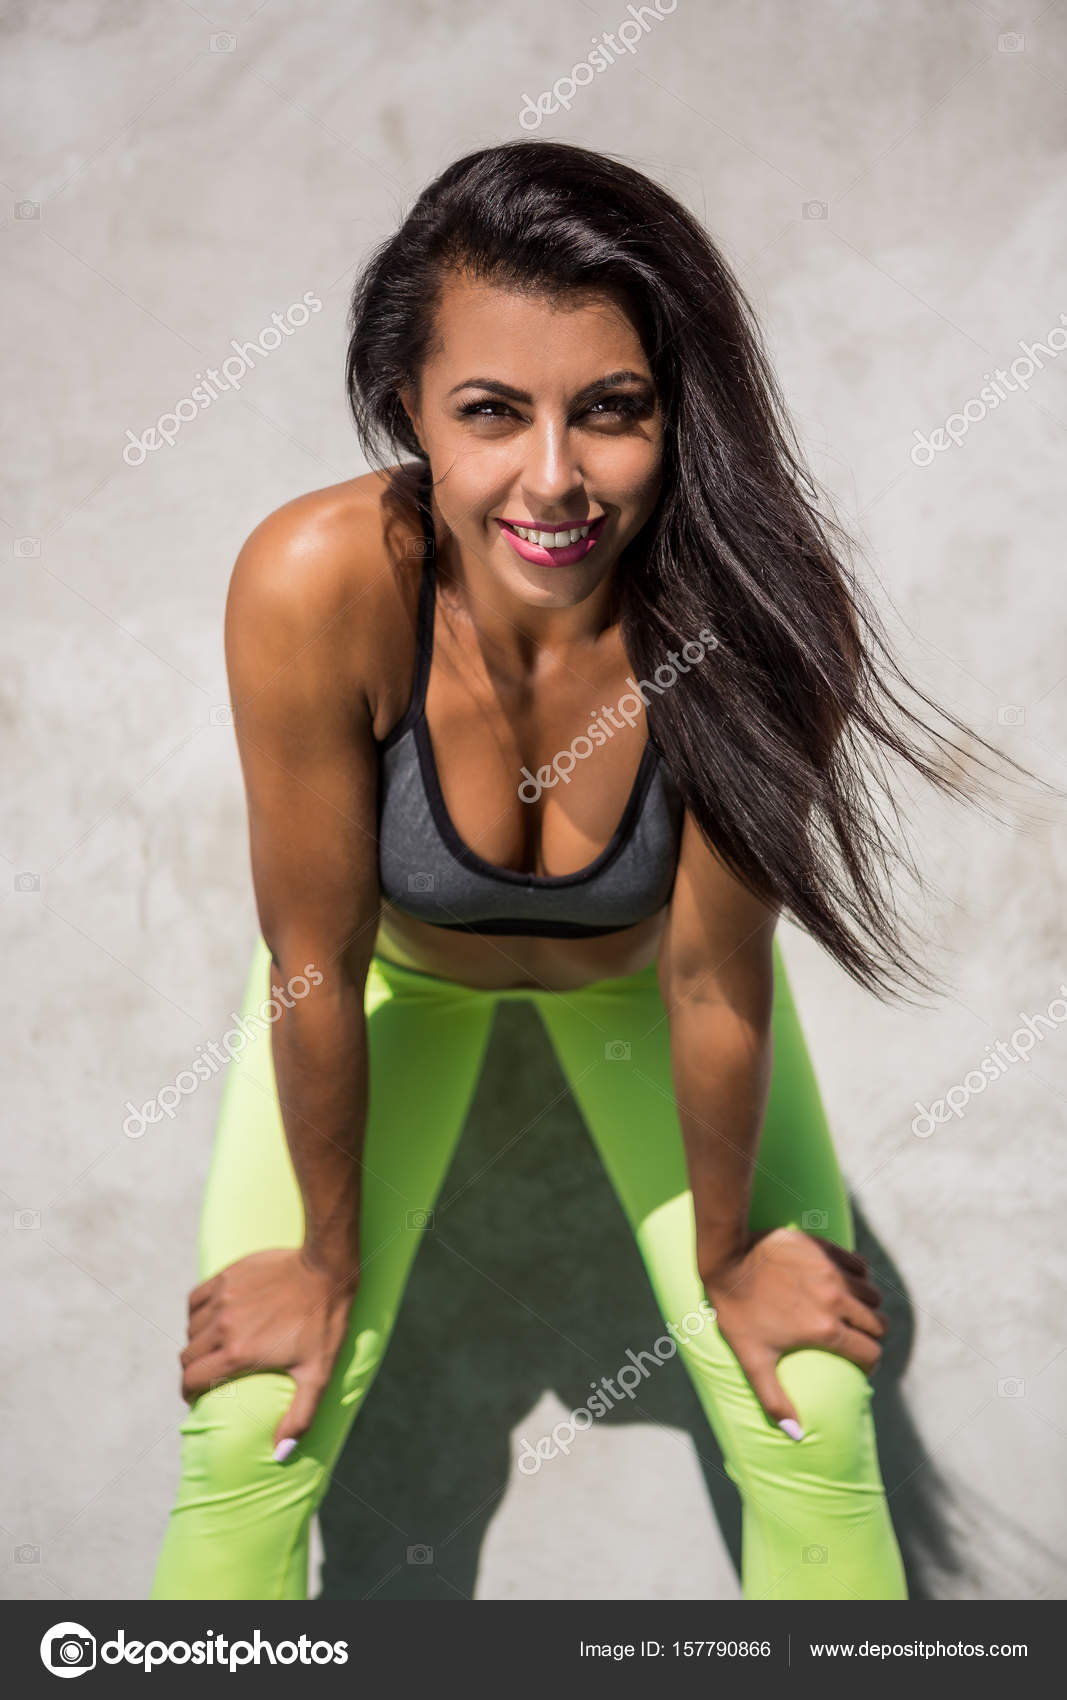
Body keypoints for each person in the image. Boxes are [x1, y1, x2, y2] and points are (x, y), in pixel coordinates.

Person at [150, 140, 1040, 1601]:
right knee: (252, 1423)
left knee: (807, 1403)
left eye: (611, 411)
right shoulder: (317, 586)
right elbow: (311, 961)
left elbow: (710, 972)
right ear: (407, 413)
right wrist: (319, 1259)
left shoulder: (759, 618)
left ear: (677, 414)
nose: (554, 479)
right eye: (491, 414)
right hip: (390, 985)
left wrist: (737, 1249)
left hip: (649, 993)